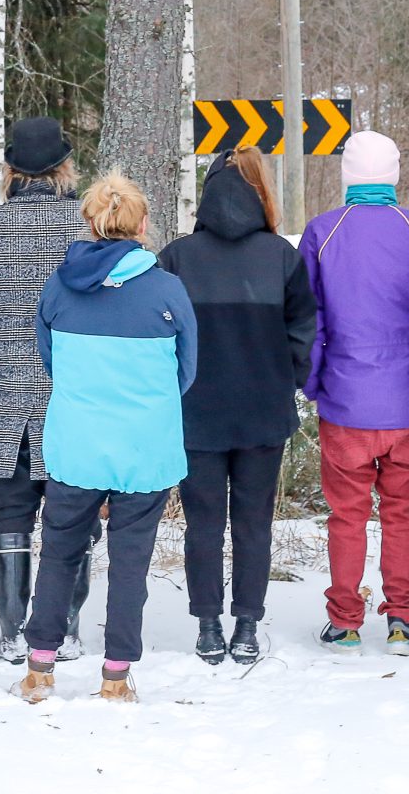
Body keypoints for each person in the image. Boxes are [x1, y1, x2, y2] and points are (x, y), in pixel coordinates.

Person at [14, 171, 197, 704]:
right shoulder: (166, 289)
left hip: (77, 443)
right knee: (131, 559)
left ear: (90, 222)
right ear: (142, 224)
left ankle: (39, 667)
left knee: (60, 554)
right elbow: (186, 372)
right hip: (145, 447)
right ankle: (115, 675)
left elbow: (50, 361)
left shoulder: (59, 286)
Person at [158, 147, 316, 666]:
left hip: (195, 410)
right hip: (263, 410)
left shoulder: (179, 256)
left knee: (203, 522)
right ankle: (247, 624)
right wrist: (286, 380)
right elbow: (304, 331)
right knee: (253, 522)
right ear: (259, 192)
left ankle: (208, 625)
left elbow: (162, 334)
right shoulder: (281, 256)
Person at [296, 131, 409, 656]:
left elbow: (310, 319)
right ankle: (403, 619)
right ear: (394, 173)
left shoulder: (322, 231)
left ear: (347, 175)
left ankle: (345, 623)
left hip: (345, 399)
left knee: (348, 515)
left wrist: (314, 383)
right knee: (404, 512)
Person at [0, 116, 88, 662]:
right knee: (72, 508)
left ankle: (13, 634)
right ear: (64, 168)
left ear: (12, 170)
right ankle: (67, 630)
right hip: (75, 393)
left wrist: (4, 353)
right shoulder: (85, 227)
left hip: (8, 390)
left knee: (10, 510)